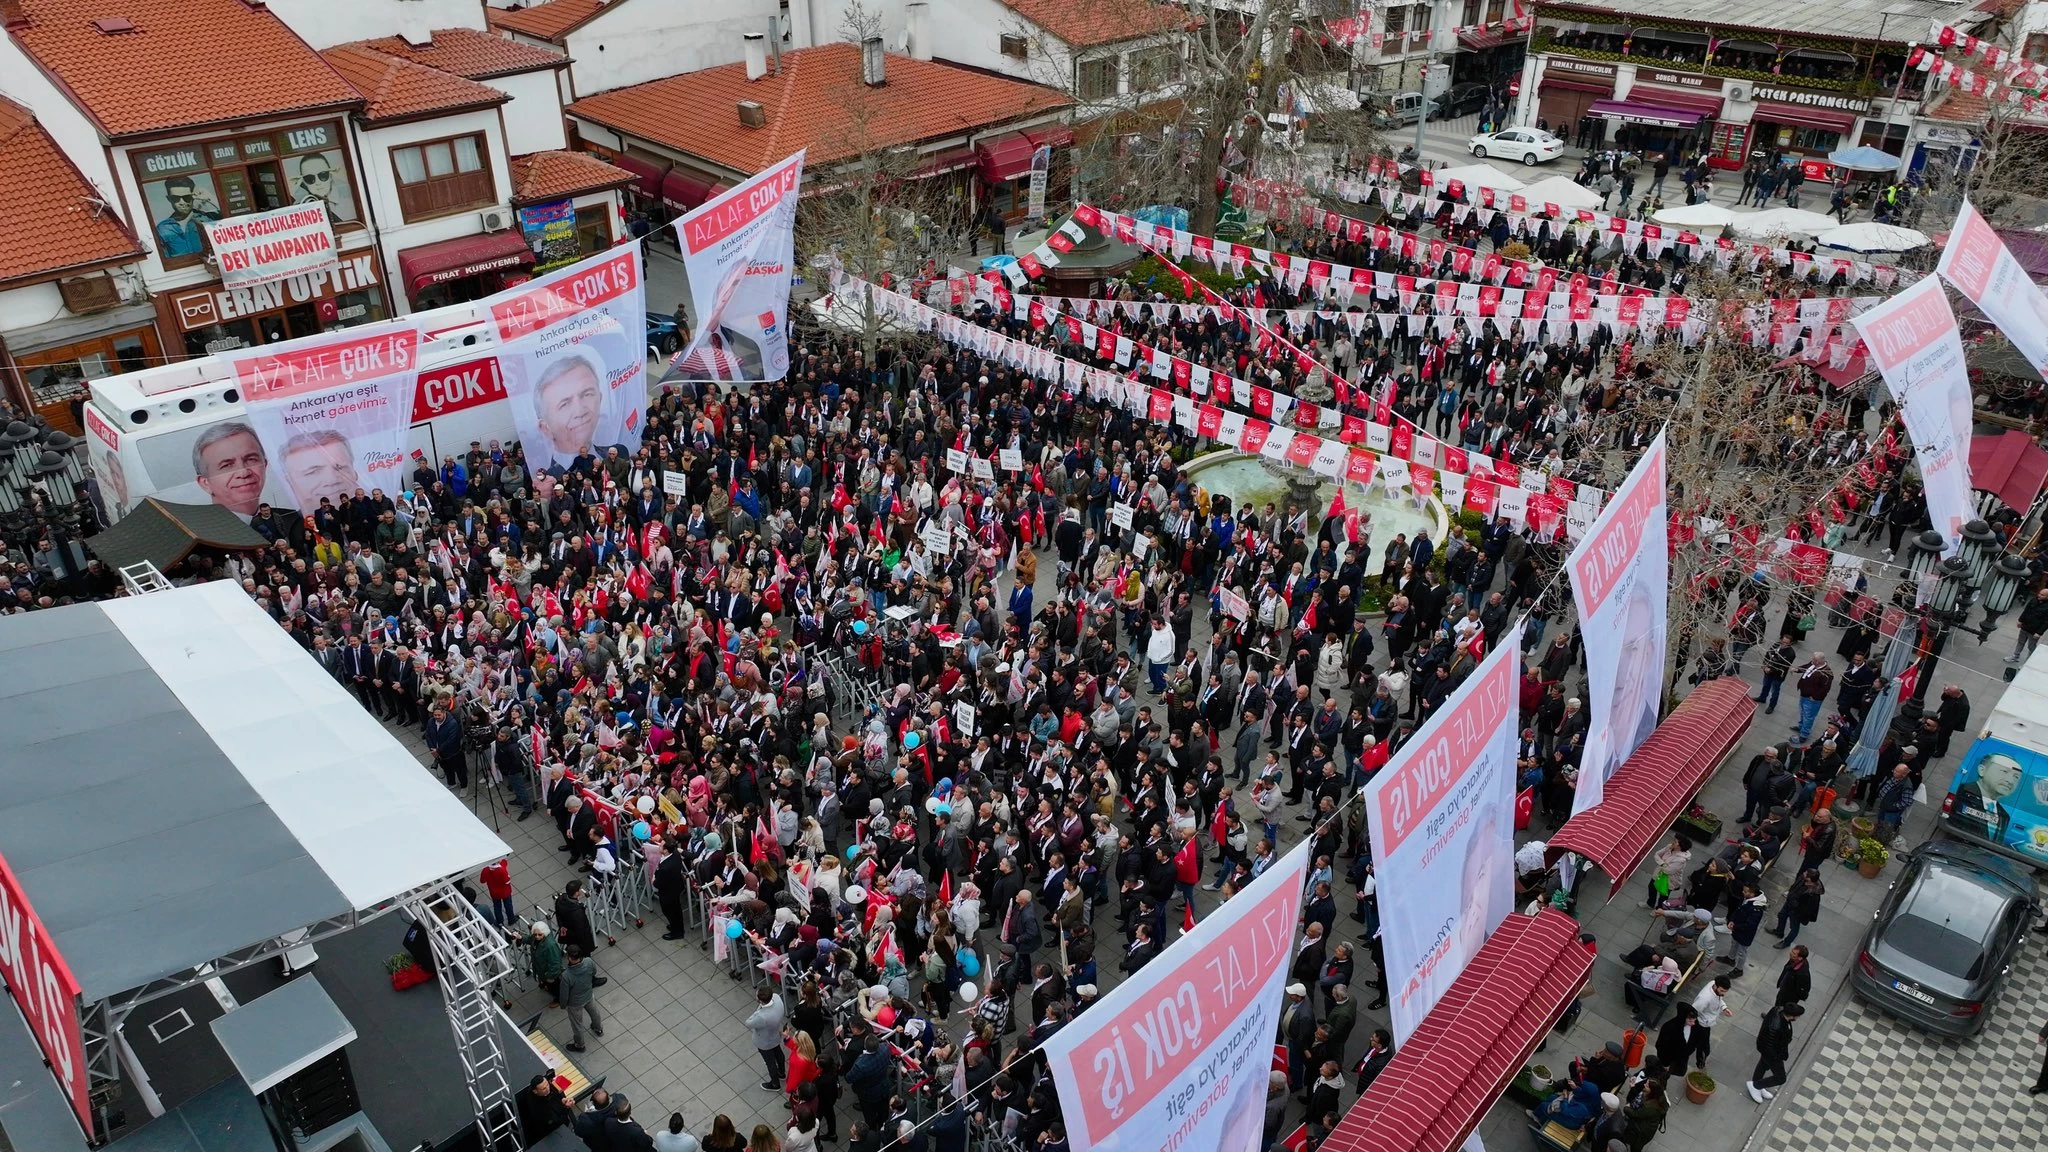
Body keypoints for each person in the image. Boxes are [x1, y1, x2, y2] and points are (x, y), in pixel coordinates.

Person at [191, 422, 270, 519]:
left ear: (265, 465)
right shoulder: (194, 533)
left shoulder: (290, 518)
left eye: (251, 459)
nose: (243, 473)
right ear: (205, 483)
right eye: (226, 465)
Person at [279, 429, 361, 512]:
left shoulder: (369, 512)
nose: (332, 480)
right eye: (313, 472)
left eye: (340, 467)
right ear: (291, 483)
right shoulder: (291, 524)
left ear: (355, 473)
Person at [1746, 1003, 1803, 1102]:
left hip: (1769, 1050)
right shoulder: (1776, 1027)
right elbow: (1770, 1045)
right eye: (1797, 1016)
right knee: (1781, 1078)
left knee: (1763, 1065)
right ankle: (1755, 1085)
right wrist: (1776, 1057)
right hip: (1773, 1053)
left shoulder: (1778, 1010)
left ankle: (1757, 1085)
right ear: (1792, 1015)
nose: (1798, 1018)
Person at [155, 175, 218, 258]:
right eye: (175, 198)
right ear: (169, 199)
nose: (182, 202)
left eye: (186, 197)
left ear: (192, 197)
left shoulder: (208, 220)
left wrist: (210, 198)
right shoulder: (163, 228)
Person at [559, 945, 604, 1052]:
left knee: (577, 1024)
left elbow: (564, 994)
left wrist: (563, 1005)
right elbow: (594, 972)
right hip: (588, 994)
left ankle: (580, 1045)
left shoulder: (566, 975)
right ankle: (598, 1029)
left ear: (569, 957)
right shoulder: (589, 962)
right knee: (595, 1013)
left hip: (575, 1003)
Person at [1767, 869, 1823, 948]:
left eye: (1806, 873)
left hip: (1796, 911)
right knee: (1781, 915)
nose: (1804, 873)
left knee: (1794, 928)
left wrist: (1796, 909)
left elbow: (1808, 908)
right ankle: (1779, 932)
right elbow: (1795, 886)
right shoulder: (1803, 878)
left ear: (1809, 879)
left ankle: (1786, 943)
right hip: (1790, 902)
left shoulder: (1813, 894)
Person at [747, 986, 788, 1090]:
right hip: (775, 1034)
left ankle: (775, 1084)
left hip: (764, 1042)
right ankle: (782, 1073)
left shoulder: (762, 1016)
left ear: (761, 1001)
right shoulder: (777, 998)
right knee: (778, 1053)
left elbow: (748, 1023)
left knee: (770, 1063)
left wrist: (757, 1011)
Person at [516, 1073, 574, 1144]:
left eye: (547, 1084)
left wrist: (561, 1100)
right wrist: (567, 1107)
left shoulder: (540, 1091)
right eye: (544, 1088)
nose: (548, 1088)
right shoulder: (538, 1109)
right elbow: (557, 1122)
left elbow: (553, 1095)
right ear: (535, 1091)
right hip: (553, 1132)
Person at [1690, 977, 1732, 1069]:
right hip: (1702, 1024)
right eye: (1722, 990)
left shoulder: (1713, 984)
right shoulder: (1705, 998)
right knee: (1704, 1047)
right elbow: (1694, 1010)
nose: (1723, 993)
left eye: (1725, 991)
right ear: (1716, 986)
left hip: (1705, 1022)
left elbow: (1718, 999)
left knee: (1694, 1042)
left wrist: (1724, 1007)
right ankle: (1700, 1062)